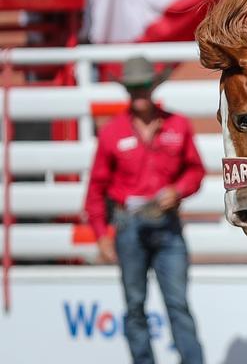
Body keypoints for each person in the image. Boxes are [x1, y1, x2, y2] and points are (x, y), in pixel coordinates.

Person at [84, 56, 206, 364]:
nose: (139, 94)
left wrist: (178, 191)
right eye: (134, 89)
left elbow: (195, 171)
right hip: (129, 225)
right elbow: (95, 190)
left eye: (143, 88)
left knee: (177, 303)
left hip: (167, 224)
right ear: (128, 91)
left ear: (152, 88)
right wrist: (101, 235)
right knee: (135, 305)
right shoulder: (112, 133)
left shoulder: (178, 124)